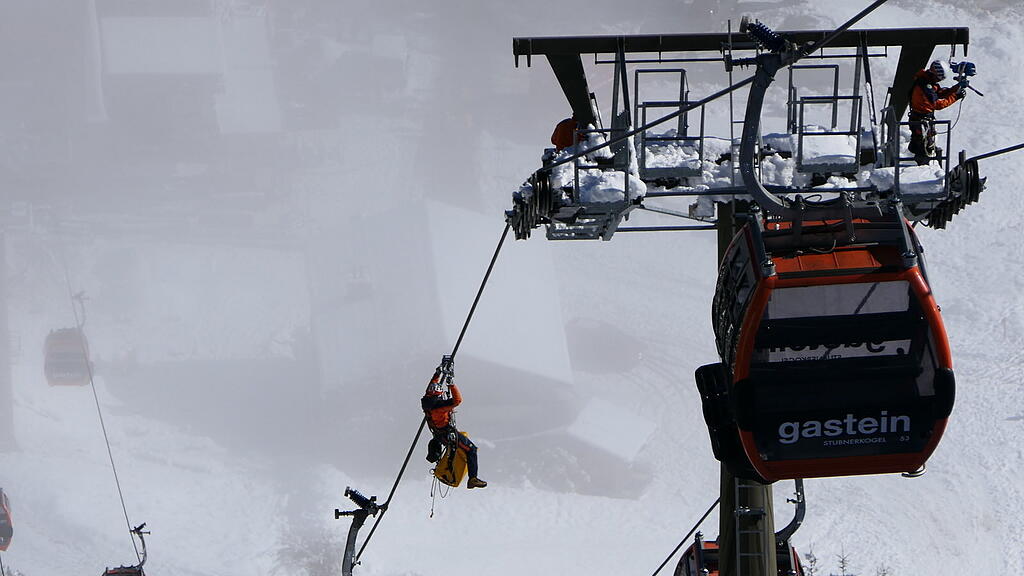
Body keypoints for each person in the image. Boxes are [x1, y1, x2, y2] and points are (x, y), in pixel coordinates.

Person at [421, 365, 487, 489]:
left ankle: (453, 472)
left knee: (458, 447)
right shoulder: (439, 407)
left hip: (439, 434)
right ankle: (472, 478)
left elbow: (431, 387)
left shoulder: (426, 401)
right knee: (471, 449)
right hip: (446, 433)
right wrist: (451, 385)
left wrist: (437, 374)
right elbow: (457, 400)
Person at [908, 59, 965, 165]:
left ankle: (921, 162)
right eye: (938, 78)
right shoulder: (925, 85)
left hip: (921, 119)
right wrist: (955, 97)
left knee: (924, 144)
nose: (938, 81)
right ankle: (921, 166)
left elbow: (939, 93)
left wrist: (956, 88)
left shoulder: (927, 82)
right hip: (920, 120)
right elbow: (937, 104)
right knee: (922, 147)